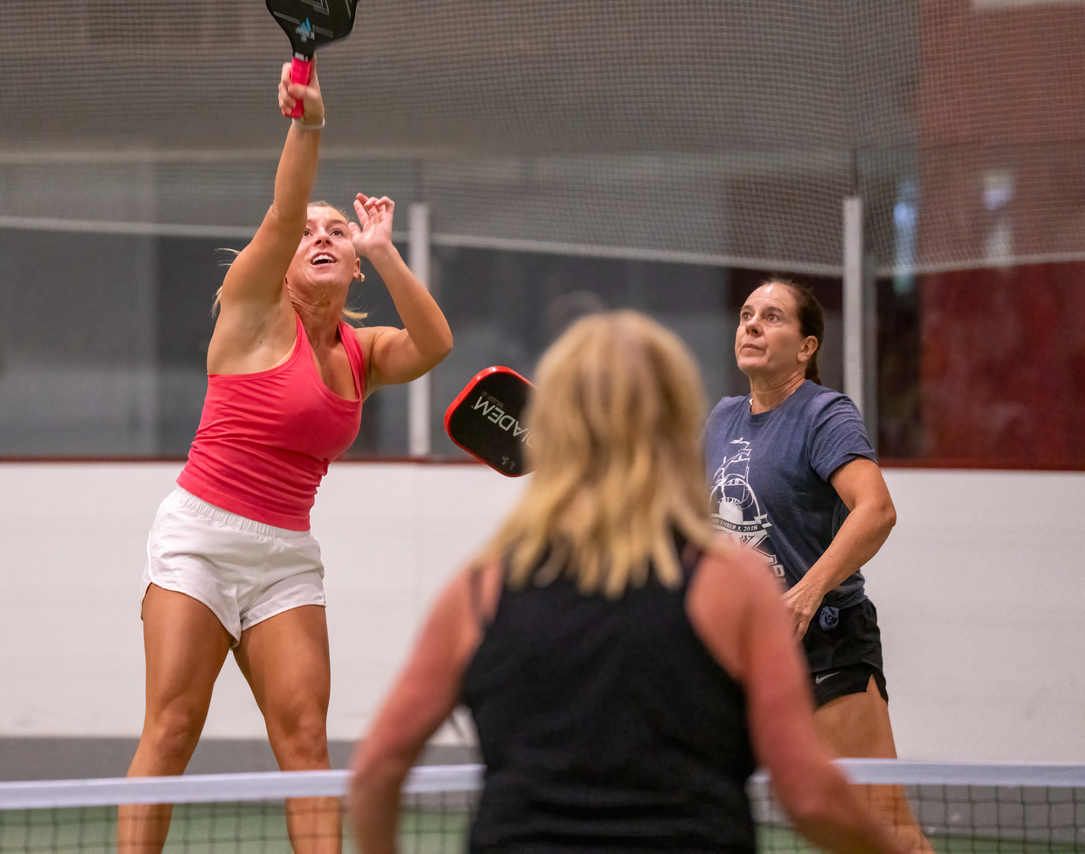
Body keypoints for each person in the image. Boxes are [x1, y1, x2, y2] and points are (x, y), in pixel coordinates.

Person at [349, 311, 903, 854]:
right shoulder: (736, 586)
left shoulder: (478, 589)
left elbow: (376, 770)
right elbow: (809, 797)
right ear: (673, 419)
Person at [119, 60, 453, 854]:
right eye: (312, 232)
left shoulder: (362, 352)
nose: (322, 236)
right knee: (171, 728)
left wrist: (388, 248)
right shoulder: (254, 312)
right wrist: (309, 125)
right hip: (199, 539)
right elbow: (283, 210)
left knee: (304, 746)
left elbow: (435, 344)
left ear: (357, 258)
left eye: (339, 230)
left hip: (285, 560)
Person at [706, 277, 928, 850]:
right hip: (741, 651)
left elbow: (876, 510)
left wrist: (806, 592)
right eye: (747, 314)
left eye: (772, 317)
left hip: (826, 645)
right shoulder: (722, 420)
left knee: (884, 826)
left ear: (806, 347)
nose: (752, 324)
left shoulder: (824, 415)